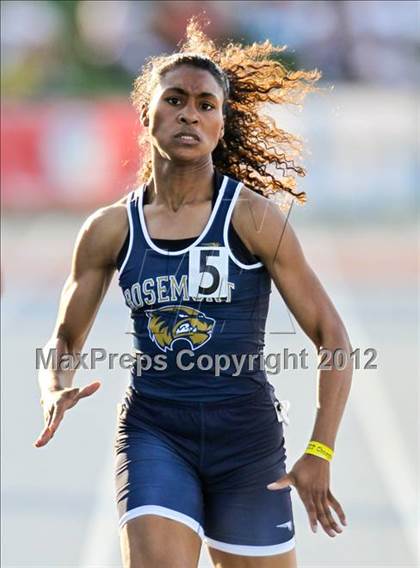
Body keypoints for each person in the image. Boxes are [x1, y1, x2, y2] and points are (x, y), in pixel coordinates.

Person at [35, 20, 352, 568]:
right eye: (176, 99)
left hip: (246, 442)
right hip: (155, 432)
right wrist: (54, 384)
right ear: (146, 113)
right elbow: (66, 333)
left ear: (221, 125)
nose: (190, 113)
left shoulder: (251, 216)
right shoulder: (110, 229)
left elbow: (331, 335)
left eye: (207, 105)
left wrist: (320, 449)